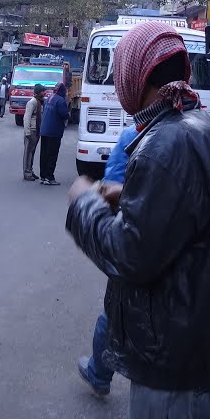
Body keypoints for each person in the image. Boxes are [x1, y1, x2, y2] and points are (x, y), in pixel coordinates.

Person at [66, 21, 210, 419]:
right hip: (209, 344)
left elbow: (130, 255)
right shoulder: (209, 127)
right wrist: (129, 196)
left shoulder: (162, 145)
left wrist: (83, 205)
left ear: (136, 76)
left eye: (119, 75)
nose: (116, 86)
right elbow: (202, 216)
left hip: (176, 361)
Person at [77, 124, 139, 397]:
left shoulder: (132, 134)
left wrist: (87, 203)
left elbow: (111, 190)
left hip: (137, 242)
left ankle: (99, 374)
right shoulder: (204, 129)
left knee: (115, 311)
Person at [39, 82, 69, 186]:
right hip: (54, 132)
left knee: (44, 154)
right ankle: (49, 177)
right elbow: (64, 115)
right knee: (52, 155)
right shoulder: (60, 101)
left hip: (44, 130)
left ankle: (43, 176)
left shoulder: (49, 98)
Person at [22, 84, 46, 181]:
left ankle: (30, 170)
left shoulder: (39, 102)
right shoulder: (32, 102)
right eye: (43, 91)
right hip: (31, 131)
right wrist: (27, 132)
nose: (44, 93)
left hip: (36, 130)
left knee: (32, 152)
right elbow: (26, 117)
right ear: (38, 92)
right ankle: (27, 173)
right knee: (28, 153)